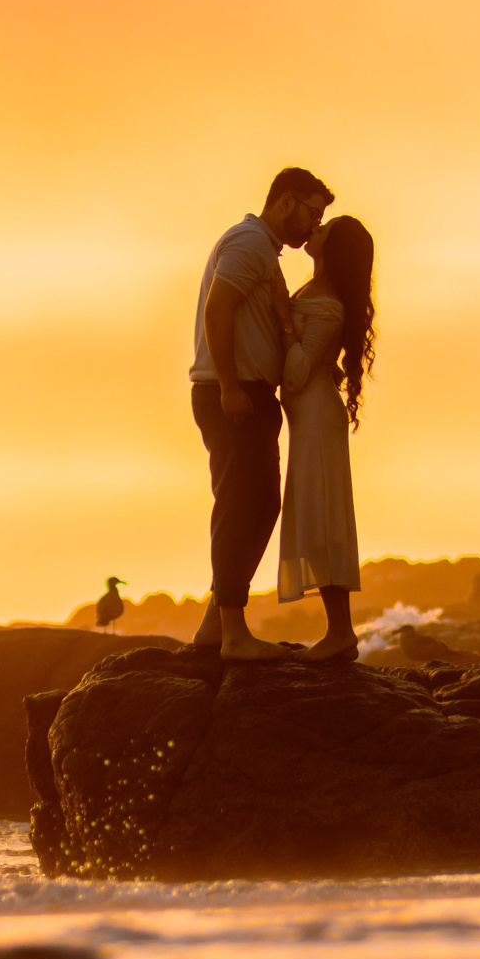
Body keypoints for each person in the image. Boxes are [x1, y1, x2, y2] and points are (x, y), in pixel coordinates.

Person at [188, 168, 333, 659]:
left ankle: (216, 623)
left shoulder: (260, 247)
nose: (314, 226)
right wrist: (229, 386)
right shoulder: (250, 243)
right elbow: (217, 311)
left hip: (247, 392)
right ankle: (232, 635)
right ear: (286, 202)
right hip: (234, 393)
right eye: (312, 213)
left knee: (258, 506)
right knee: (240, 507)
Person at [277, 215, 376, 660]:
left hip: (315, 417)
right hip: (312, 417)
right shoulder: (318, 294)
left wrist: (282, 319)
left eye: (323, 230)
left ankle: (341, 634)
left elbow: (297, 374)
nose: (313, 231)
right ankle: (340, 632)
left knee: (322, 520)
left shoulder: (326, 303)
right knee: (319, 518)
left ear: (331, 251)